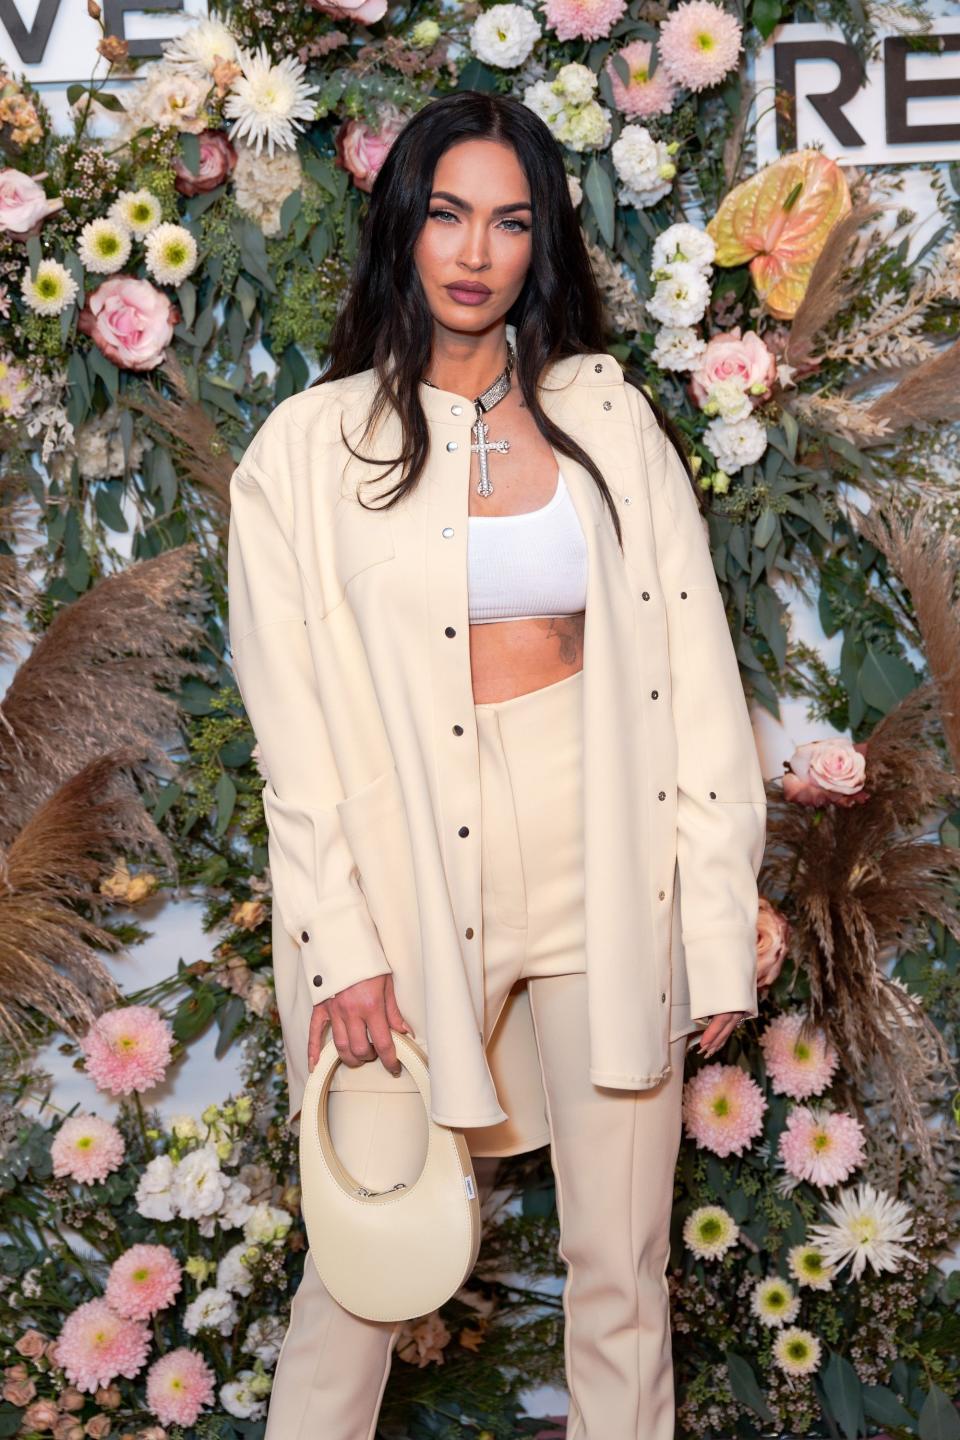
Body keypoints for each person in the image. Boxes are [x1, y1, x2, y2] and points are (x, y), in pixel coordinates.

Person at [227, 90, 767, 1440]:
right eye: (451, 214)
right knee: (363, 1267)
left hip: (603, 859)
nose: (477, 251)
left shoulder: (608, 419)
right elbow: (290, 727)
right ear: (404, 228)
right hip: (407, 875)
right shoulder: (304, 450)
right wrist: (341, 937)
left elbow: (695, 676)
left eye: (512, 222)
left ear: (543, 247)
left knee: (620, 1281)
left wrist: (709, 915)